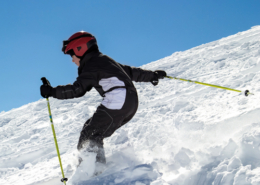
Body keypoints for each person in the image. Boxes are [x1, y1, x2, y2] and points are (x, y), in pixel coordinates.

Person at [40, 31, 167, 167]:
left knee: (90, 134)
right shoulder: (104, 60)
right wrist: (152, 75)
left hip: (117, 100)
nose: (72, 60)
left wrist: (52, 91)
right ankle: (93, 167)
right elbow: (130, 72)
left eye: (72, 55)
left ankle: (93, 172)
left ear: (80, 49)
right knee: (91, 129)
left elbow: (77, 89)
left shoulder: (91, 65)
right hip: (130, 102)